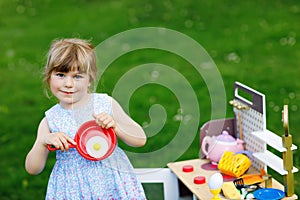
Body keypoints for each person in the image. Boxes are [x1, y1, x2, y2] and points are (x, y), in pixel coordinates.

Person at [25, 38, 147, 199]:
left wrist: (116, 126)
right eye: (61, 75)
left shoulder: (105, 104)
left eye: (77, 76)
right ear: (49, 78)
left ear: (90, 79)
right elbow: (33, 169)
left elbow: (140, 139)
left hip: (111, 183)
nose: (68, 83)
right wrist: (43, 143)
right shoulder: (50, 120)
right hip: (72, 188)